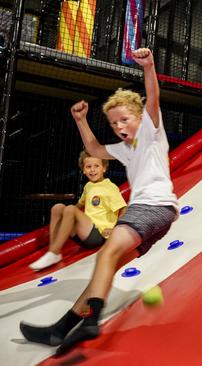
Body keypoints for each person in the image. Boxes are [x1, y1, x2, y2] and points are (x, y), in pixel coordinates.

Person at [20, 48, 178, 355]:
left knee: (103, 257)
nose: (119, 127)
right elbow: (93, 146)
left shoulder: (151, 132)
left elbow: (153, 98)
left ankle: (91, 321)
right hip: (158, 216)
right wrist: (80, 119)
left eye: (125, 119)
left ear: (140, 117)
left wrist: (148, 67)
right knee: (103, 272)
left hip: (152, 207)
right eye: (114, 123)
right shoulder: (123, 148)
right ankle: (61, 329)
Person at [28, 151, 127, 271]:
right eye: (88, 167)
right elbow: (80, 204)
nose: (92, 170)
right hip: (84, 234)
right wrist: (66, 215)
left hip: (99, 235)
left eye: (96, 166)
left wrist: (115, 229)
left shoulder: (110, 187)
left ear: (104, 168)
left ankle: (53, 253)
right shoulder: (88, 186)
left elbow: (123, 208)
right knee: (58, 208)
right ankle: (54, 250)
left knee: (70, 209)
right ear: (84, 170)